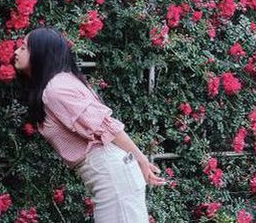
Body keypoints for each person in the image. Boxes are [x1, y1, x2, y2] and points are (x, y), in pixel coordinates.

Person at [14, 27, 166, 223]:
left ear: (41, 53)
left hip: (112, 176)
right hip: (107, 175)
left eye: (24, 48)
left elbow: (105, 126)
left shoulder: (56, 89)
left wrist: (141, 159)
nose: (17, 51)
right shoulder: (59, 84)